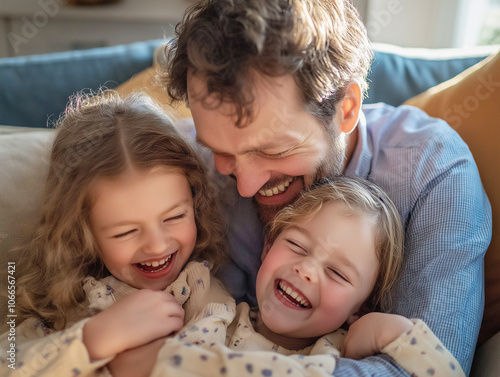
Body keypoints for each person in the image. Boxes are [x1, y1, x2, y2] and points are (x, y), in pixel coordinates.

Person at [158, 0, 492, 375]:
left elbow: (428, 369)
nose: (247, 186)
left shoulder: (433, 173)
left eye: (275, 150)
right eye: (222, 152)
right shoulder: (185, 161)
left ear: (346, 108)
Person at [0, 90, 233, 377]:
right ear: (80, 232)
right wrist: (93, 341)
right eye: (125, 232)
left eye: (175, 217)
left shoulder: (203, 293)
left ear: (196, 203)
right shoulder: (58, 307)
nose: (157, 245)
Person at [140, 177, 465, 377]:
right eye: (296, 245)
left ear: (360, 308)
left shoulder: (337, 357)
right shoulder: (209, 303)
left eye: (337, 273)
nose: (306, 270)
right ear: (267, 246)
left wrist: (392, 333)